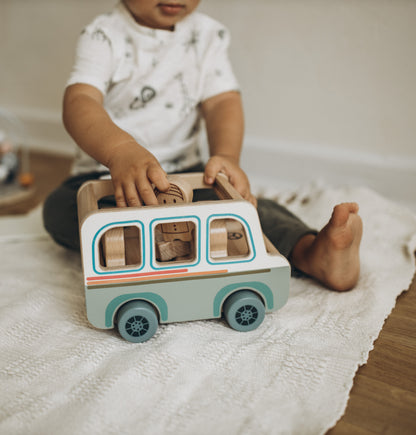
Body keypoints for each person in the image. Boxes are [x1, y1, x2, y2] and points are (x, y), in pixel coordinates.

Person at [43, 0, 362, 291]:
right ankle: (156, 243)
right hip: (108, 175)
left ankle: (312, 252)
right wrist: (119, 151)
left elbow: (222, 102)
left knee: (247, 208)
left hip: (186, 175)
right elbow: (81, 101)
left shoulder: (207, 36)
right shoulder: (104, 35)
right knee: (61, 209)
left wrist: (225, 155)